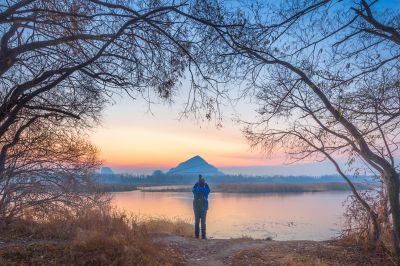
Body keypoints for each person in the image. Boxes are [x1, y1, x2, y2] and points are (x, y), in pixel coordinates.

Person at [192, 175, 210, 239]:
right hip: (204, 209)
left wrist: (197, 183)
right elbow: (209, 189)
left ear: (199, 184)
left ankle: (196, 236)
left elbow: (193, 188)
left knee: (196, 222)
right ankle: (203, 237)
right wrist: (206, 184)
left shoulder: (196, 190)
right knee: (203, 222)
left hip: (196, 208)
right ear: (203, 184)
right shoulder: (205, 191)